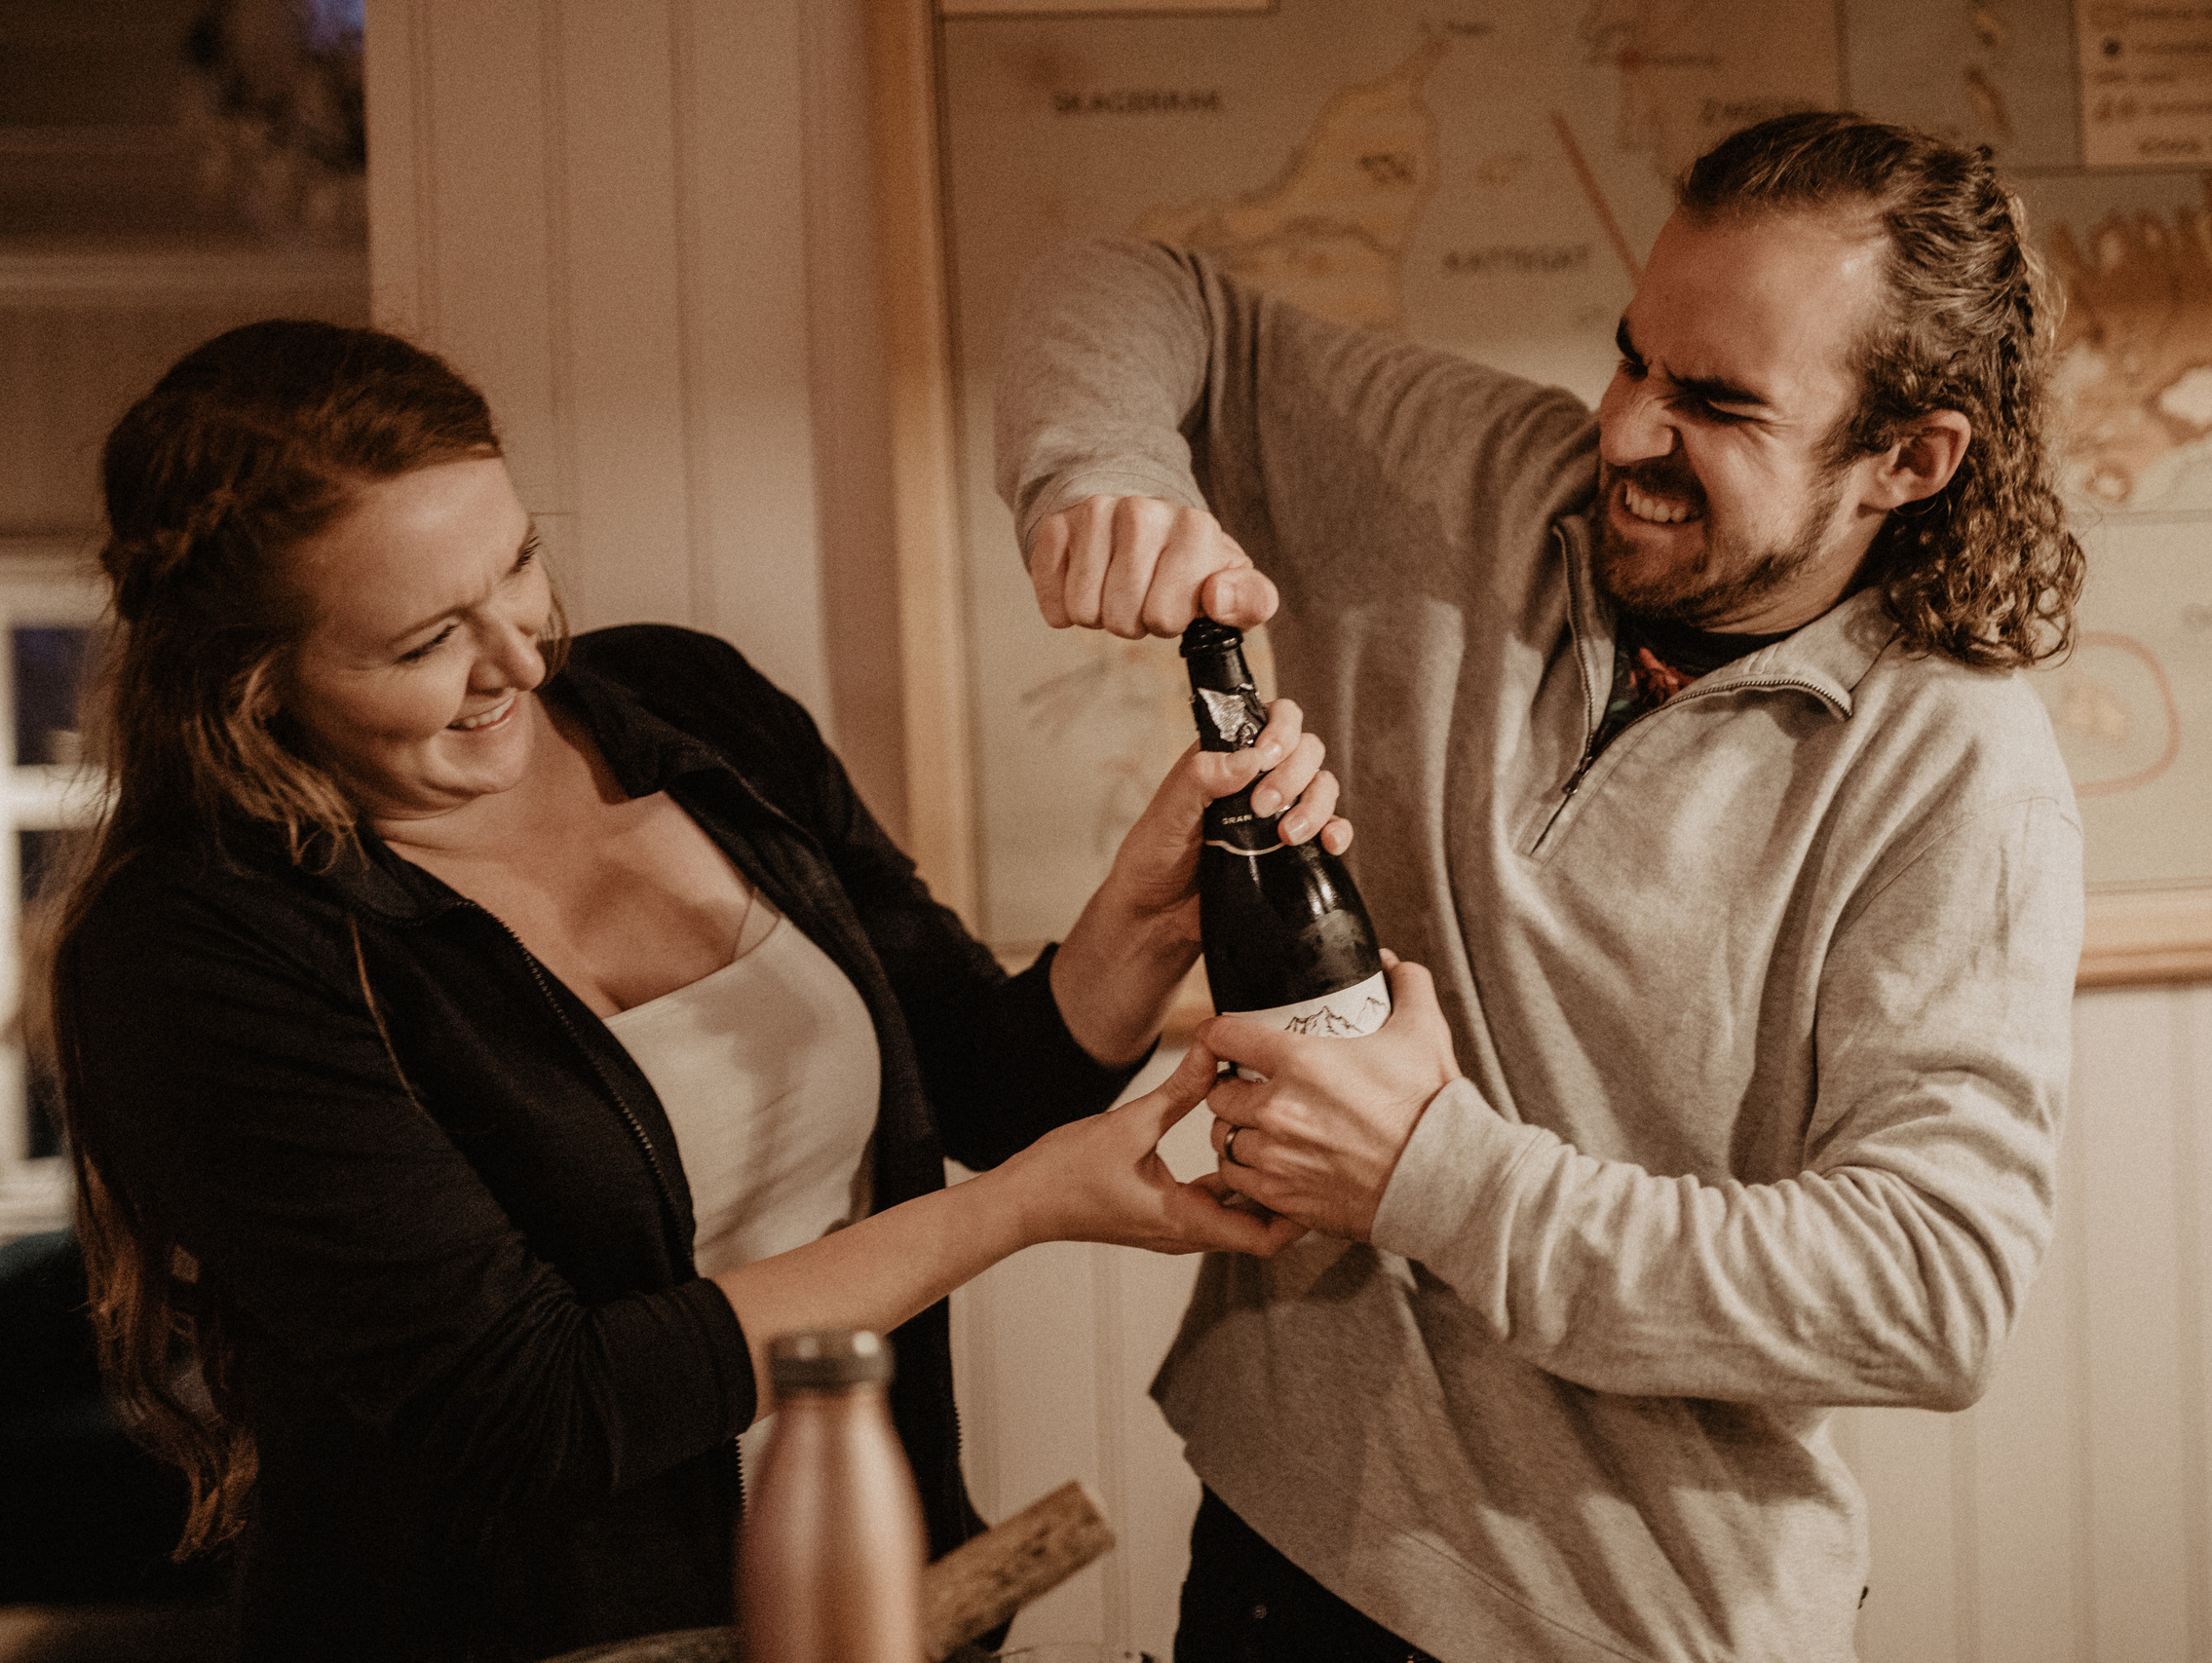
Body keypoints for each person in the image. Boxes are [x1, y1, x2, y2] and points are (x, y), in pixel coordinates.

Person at [41, 319, 1338, 1661]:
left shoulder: (683, 702)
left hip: (871, 1601)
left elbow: (988, 1082)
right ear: (253, 688)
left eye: (521, 564)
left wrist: (1151, 907)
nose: (523, 658)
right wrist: (1020, 1213)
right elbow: (539, 1408)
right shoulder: (191, 950)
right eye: (428, 640)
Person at [994, 112, 2090, 1661]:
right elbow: (1129, 290)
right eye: (1633, 356)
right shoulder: (1492, 475)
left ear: (1907, 460)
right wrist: (1099, 471)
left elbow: (1930, 1289)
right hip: (1280, 1532)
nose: (1628, 429)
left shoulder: (1961, 775)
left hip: (1625, 1621)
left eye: (1714, 404)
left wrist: (1431, 1173)